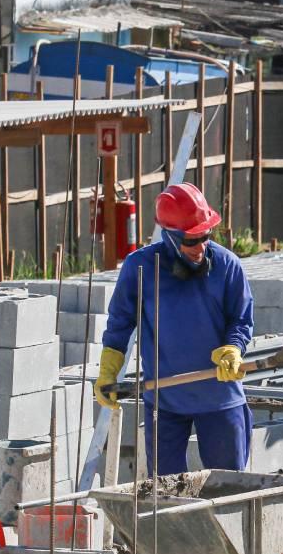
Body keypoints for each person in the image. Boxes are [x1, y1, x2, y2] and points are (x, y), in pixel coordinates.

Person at [94, 183, 255, 476]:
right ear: (168, 236)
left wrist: (234, 347)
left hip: (219, 399)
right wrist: (109, 369)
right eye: (191, 240)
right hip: (165, 402)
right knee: (166, 494)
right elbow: (120, 323)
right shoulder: (140, 267)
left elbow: (240, 319)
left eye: (206, 236)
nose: (201, 246)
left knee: (230, 487)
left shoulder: (227, 266)